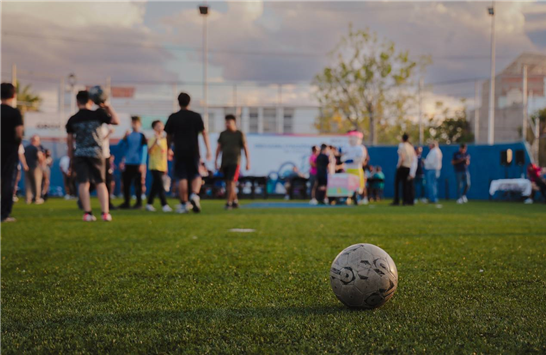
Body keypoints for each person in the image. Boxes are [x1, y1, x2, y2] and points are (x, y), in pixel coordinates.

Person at [66, 90, 120, 221]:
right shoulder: (98, 114)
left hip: (80, 154)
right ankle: (105, 213)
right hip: (97, 153)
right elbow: (116, 121)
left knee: (84, 183)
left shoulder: (72, 119)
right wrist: (107, 106)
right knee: (100, 182)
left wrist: (71, 157)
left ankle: (88, 213)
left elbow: (69, 141)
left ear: (77, 102)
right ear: (91, 101)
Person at [165, 92, 211, 214]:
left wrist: (168, 148)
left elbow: (168, 135)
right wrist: (208, 150)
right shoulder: (196, 116)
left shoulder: (173, 117)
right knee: (196, 174)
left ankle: (184, 204)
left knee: (182, 177)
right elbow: (204, 133)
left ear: (178, 102)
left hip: (179, 151)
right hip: (193, 150)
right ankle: (194, 195)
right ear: (189, 102)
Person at [215, 114, 250, 210]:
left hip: (235, 161)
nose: (227, 124)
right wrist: (215, 160)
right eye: (226, 122)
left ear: (234, 123)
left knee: (231, 182)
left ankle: (229, 203)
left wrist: (248, 162)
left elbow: (245, 148)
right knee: (228, 183)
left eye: (229, 122)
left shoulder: (239, 134)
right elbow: (219, 148)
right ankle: (235, 201)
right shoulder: (223, 134)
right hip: (225, 161)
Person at [1, 83, 24, 222]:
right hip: (9, 149)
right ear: (13, 95)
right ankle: (4, 214)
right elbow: (19, 132)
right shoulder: (15, 112)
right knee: (8, 180)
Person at [118, 116, 148, 209]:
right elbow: (120, 146)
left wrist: (142, 163)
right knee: (126, 184)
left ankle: (138, 203)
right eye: (133, 122)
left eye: (136, 122)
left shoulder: (141, 136)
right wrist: (123, 137)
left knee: (138, 184)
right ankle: (126, 202)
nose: (134, 124)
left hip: (137, 163)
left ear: (140, 124)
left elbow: (144, 150)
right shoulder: (128, 136)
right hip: (128, 163)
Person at [146, 120, 172, 212]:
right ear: (154, 128)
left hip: (162, 166)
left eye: (161, 125)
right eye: (157, 126)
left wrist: (166, 167)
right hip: (154, 165)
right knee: (160, 186)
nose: (160, 127)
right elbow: (149, 151)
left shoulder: (164, 140)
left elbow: (166, 155)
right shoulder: (152, 139)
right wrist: (155, 142)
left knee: (155, 186)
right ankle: (164, 204)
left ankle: (149, 204)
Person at [391, 133, 415, 206]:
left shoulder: (402, 146)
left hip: (403, 166)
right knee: (405, 185)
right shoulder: (411, 147)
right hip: (408, 166)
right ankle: (405, 200)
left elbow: (402, 157)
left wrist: (399, 165)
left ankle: (396, 200)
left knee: (397, 184)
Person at [24, 135, 45, 205]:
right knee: (37, 183)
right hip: (36, 167)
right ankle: (37, 198)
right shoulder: (37, 148)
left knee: (28, 184)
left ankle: (28, 199)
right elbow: (40, 157)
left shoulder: (26, 148)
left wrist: (25, 165)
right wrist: (42, 163)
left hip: (27, 167)